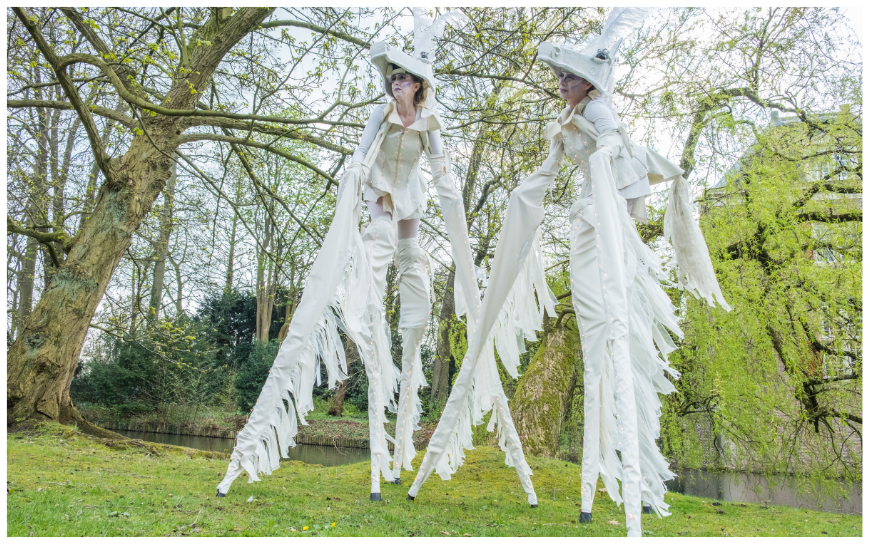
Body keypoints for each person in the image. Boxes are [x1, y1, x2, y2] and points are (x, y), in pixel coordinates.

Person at [407, 8, 731, 537]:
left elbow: (613, 149)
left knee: (608, 320)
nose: (562, 85)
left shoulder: (600, 113)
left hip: (613, 206)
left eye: (570, 77)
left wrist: (601, 172)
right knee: (591, 319)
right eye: (559, 77)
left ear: (591, 82)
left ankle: (628, 482)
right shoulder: (567, 120)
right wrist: (525, 199)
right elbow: (551, 171)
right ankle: (599, 486)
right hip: (589, 208)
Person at [215, 9, 476, 502]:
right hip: (379, 191)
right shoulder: (380, 114)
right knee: (376, 260)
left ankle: (404, 438)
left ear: (418, 86)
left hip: (410, 198)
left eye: (403, 78)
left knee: (411, 263)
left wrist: (451, 200)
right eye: (392, 77)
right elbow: (361, 153)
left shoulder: (428, 121)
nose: (395, 84)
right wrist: (355, 177)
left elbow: (439, 168)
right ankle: (374, 381)